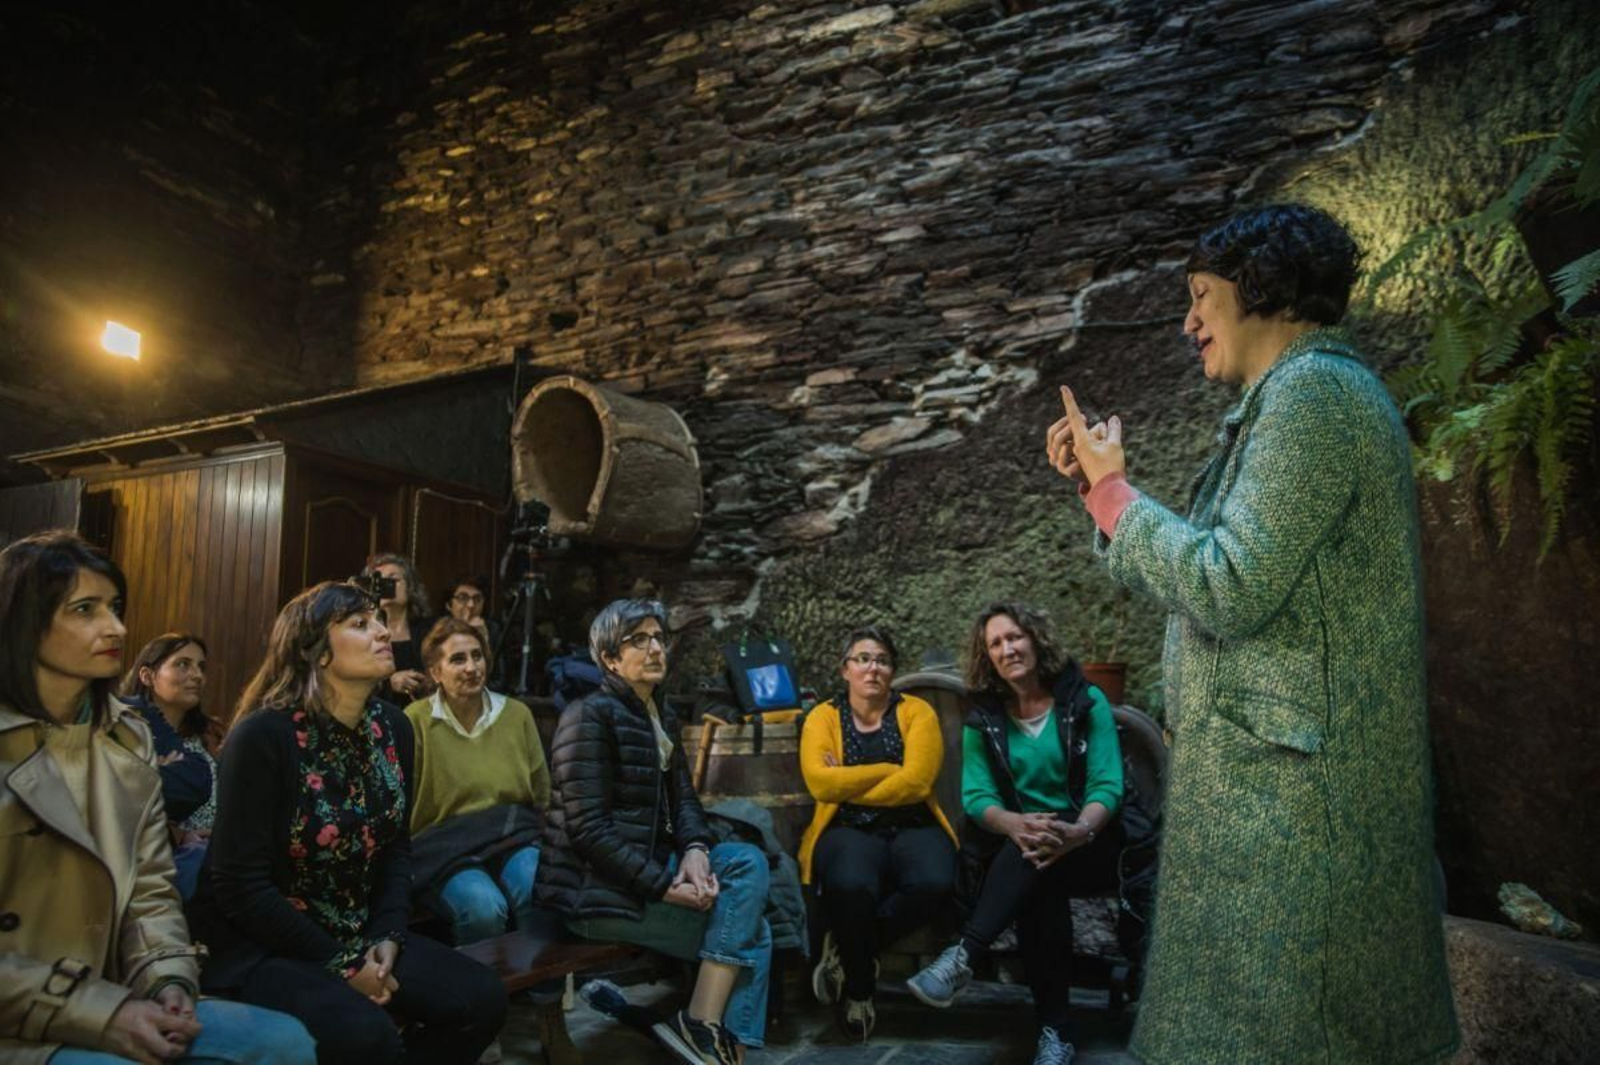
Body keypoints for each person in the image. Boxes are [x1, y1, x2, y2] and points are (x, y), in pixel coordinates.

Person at [1047, 203, 1458, 1063]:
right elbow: (1225, 571)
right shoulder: (1295, 400)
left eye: (1202, 296)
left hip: (1299, 814)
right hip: (1280, 798)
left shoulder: (1315, 396)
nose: (1189, 321)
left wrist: (1118, 495)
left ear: (1261, 289)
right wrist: (1101, 493)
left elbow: (1227, 584)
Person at [0, 530, 315, 1065]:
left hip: (116, 987)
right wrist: (102, 1014)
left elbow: (150, 888)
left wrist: (168, 978)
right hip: (22, 1016)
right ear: (25, 622)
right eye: (85, 609)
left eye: (116, 607)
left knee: (285, 1042)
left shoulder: (127, 736)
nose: (116, 627)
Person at [185, 580, 507, 1065]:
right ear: (316, 651)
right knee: (366, 1036)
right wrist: (341, 963)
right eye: (360, 624)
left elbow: (397, 846)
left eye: (379, 620)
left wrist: (387, 936)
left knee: (482, 998)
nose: (382, 632)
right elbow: (239, 884)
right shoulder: (264, 736)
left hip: (358, 928)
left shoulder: (394, 727)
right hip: (265, 943)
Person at [536, 599, 772, 1065]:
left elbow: (684, 799)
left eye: (659, 638)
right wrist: (667, 888)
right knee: (755, 932)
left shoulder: (657, 714)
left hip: (644, 874)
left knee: (750, 860)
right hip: (595, 893)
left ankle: (702, 1030)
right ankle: (722, 1044)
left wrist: (696, 852)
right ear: (608, 658)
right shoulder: (587, 717)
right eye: (638, 640)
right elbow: (589, 834)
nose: (655, 648)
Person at [905, 602, 1124, 1065]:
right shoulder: (984, 716)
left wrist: (1078, 830)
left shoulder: (1086, 701)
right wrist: (1013, 823)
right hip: (1025, 848)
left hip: (1091, 840)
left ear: (1035, 638)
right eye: (996, 643)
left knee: (1037, 857)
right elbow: (977, 795)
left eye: (1014, 637)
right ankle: (1056, 1035)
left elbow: (1108, 784)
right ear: (987, 657)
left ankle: (964, 953)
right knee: (1039, 873)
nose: (1008, 649)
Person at [797, 624, 956, 1042]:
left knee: (935, 881)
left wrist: (848, 779)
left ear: (892, 670)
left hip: (913, 823)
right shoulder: (822, 717)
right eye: (863, 659)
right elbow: (820, 784)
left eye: (882, 660)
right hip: (846, 827)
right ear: (845, 669)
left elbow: (918, 785)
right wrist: (889, 772)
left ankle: (853, 952)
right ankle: (859, 992)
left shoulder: (917, 712)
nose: (873, 668)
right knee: (850, 886)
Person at [405, 617, 549, 944]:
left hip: (510, 832)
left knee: (536, 886)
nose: (471, 667)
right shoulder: (415, 721)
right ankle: (484, 992)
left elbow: (542, 791)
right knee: (483, 908)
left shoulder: (516, 715)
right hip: (443, 845)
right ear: (435, 672)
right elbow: (400, 800)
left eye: (477, 656)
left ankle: (541, 991)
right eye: (458, 659)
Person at [118, 632, 221, 900]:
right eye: (183, 664)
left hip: (218, 857)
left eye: (201, 667)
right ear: (148, 676)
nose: (197, 675)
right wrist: (179, 834)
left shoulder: (213, 735)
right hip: (148, 862)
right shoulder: (124, 732)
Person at [363, 552, 432, 706]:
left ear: (410, 587)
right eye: (380, 581)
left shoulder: (431, 629)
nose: (387, 585)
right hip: (378, 713)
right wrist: (389, 684)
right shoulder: (363, 632)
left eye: (393, 579)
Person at [442, 573, 497, 650]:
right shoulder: (437, 632)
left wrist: (484, 640)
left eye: (477, 599)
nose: (471, 605)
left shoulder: (494, 631)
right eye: (463, 598)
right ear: (449, 605)